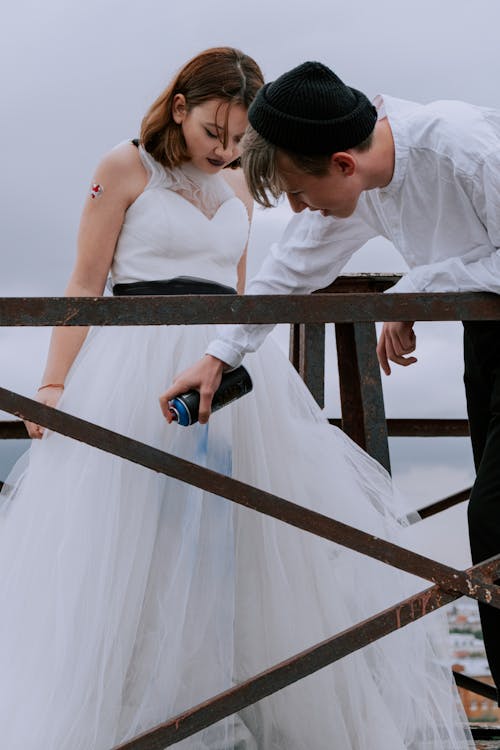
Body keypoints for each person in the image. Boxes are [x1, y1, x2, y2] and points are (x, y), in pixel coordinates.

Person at [0, 49, 473, 750]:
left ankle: (231, 703)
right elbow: (83, 284)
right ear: (180, 106)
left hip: (224, 376)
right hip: (135, 367)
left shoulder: (242, 186)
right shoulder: (122, 168)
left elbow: (253, 287)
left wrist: (244, 364)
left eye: (239, 139)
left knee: (238, 543)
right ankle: (136, 715)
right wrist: (52, 385)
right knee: (135, 544)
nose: (225, 151)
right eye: (213, 133)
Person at [163, 59, 500, 706]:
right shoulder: (356, 182)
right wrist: (218, 357)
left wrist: (418, 290)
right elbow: (289, 269)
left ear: (343, 163)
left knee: (495, 518)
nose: (298, 209)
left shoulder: (462, 145)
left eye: (297, 192)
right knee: (491, 532)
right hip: (486, 339)